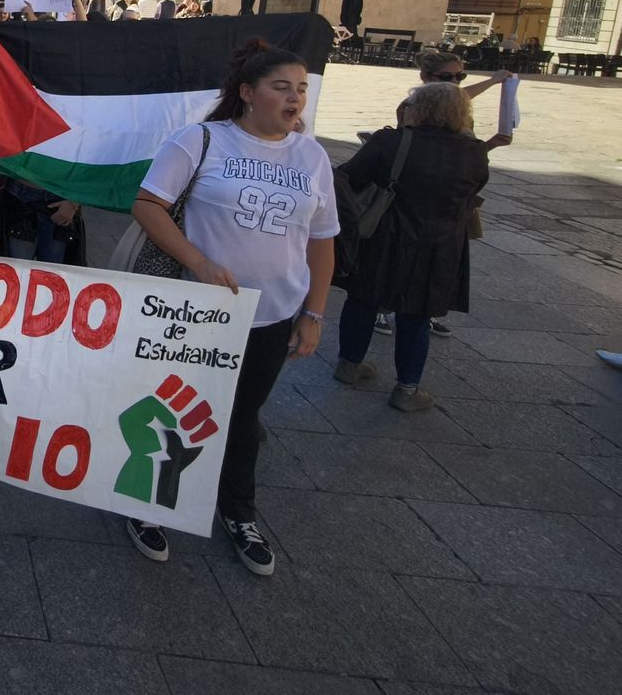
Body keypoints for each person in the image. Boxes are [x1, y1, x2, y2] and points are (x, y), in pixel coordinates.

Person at [125, 38, 338, 576]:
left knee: (243, 416)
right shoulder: (199, 140)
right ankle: (147, 502)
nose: (295, 100)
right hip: (196, 312)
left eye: (302, 90)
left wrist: (313, 313)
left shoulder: (312, 157)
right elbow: (149, 205)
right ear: (247, 93)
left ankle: (237, 510)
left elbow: (322, 240)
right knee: (171, 406)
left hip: (272, 315)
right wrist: (197, 262)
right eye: (281, 88)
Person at [334, 83, 488, 411]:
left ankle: (349, 365)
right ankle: (407, 388)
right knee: (417, 315)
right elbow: (474, 188)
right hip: (439, 245)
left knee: (362, 300)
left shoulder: (391, 141)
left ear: (416, 107)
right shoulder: (474, 152)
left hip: (384, 237)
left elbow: (345, 177)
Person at [372, 51, 510, 338]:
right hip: (410, 196)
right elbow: (414, 153)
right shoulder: (412, 107)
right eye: (448, 77)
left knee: (430, 265)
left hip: (444, 203)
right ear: (426, 78)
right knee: (396, 258)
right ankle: (382, 308)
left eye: (460, 76)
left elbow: (463, 160)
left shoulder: (460, 114)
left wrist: (491, 145)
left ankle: (423, 313)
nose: (455, 82)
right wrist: (493, 81)